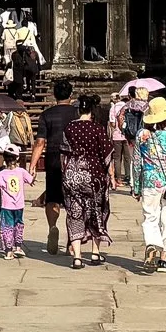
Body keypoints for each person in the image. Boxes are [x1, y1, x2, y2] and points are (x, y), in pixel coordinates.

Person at [131, 96, 166, 272]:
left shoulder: (142, 135)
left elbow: (137, 162)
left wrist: (136, 187)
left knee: (150, 217)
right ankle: (163, 258)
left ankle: (152, 244)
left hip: (149, 182)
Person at [29, 77, 80, 256]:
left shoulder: (47, 114)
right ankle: (71, 242)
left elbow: (40, 142)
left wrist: (32, 165)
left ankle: (52, 227)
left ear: (54, 95)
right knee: (73, 202)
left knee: (52, 198)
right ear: (71, 95)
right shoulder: (77, 115)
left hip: (53, 160)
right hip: (74, 162)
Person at [59, 104, 114, 268]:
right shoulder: (97, 128)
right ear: (91, 111)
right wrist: (111, 175)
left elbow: (63, 153)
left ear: (78, 111)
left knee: (74, 212)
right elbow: (107, 154)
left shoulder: (69, 128)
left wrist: (66, 173)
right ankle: (95, 253)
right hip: (93, 175)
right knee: (96, 211)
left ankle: (77, 256)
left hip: (72, 174)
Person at [0, 150, 33, 259]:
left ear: (4, 159)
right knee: (18, 224)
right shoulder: (21, 171)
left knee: (7, 227)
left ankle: (9, 251)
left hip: (6, 205)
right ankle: (18, 247)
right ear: (17, 158)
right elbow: (31, 180)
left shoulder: (2, 174)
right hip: (19, 205)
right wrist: (33, 173)